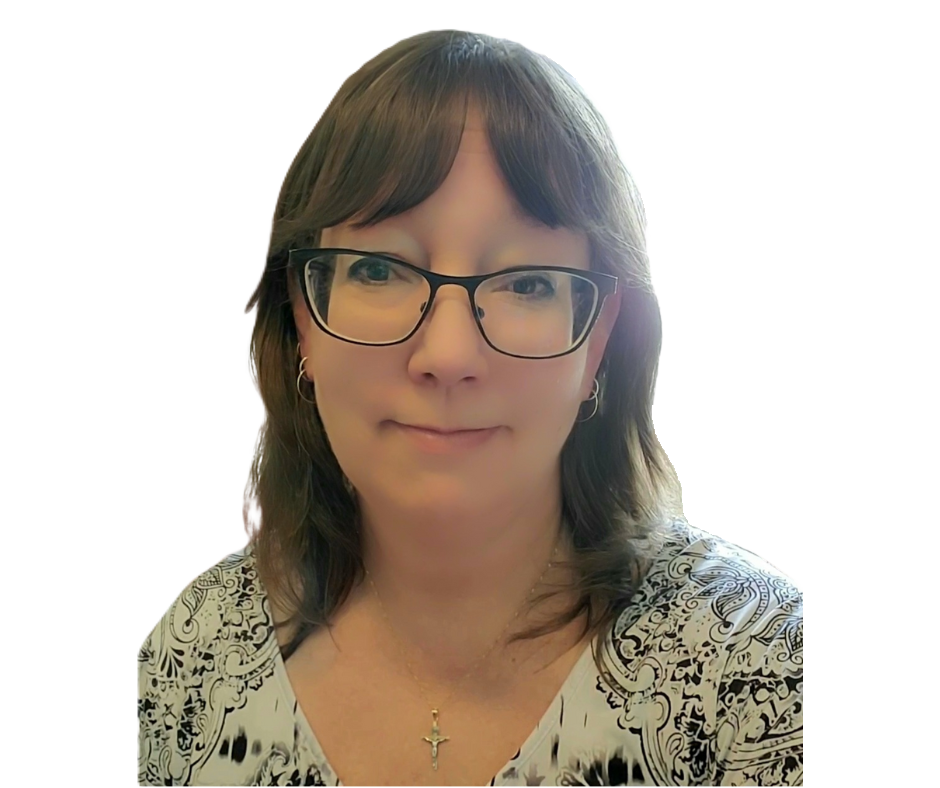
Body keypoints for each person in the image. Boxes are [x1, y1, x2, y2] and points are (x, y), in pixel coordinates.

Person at [137, 29, 803, 786]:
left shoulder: (766, 670)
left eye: (527, 282)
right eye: (378, 270)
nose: (448, 355)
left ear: (598, 342)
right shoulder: (187, 660)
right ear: (302, 322)